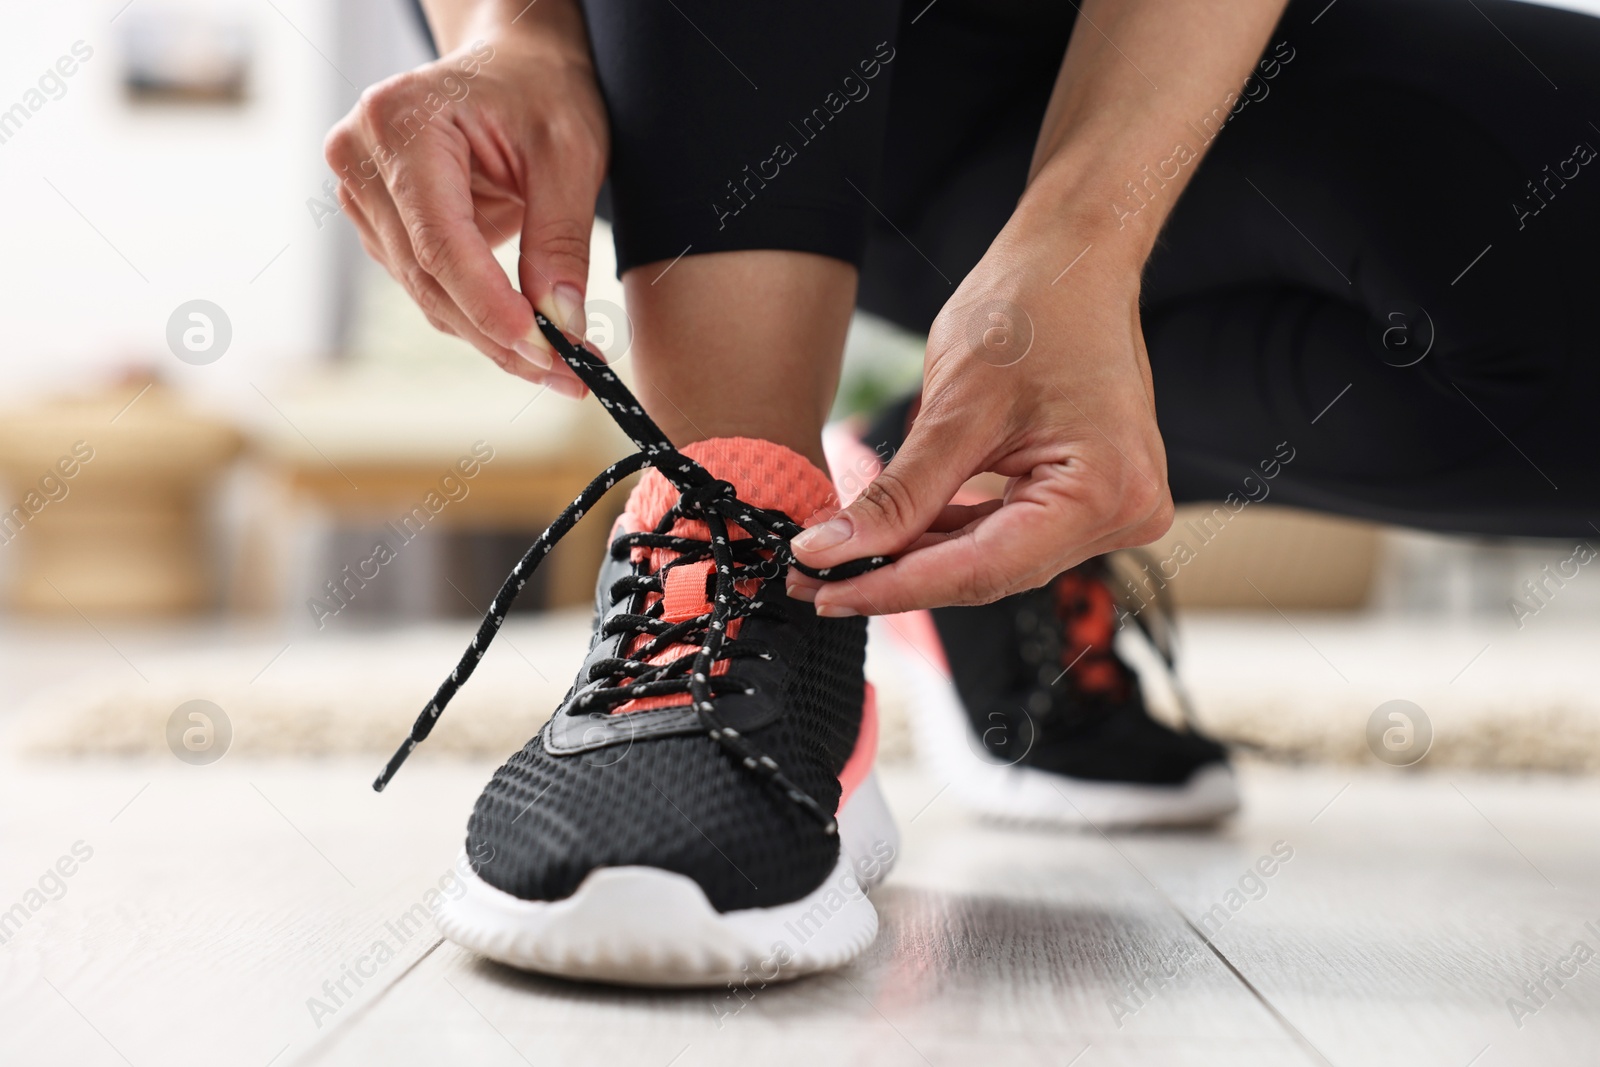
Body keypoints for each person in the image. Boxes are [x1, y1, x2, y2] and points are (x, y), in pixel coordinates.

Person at [327, 0, 1600, 985]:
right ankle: (746, 542)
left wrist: (1084, 237)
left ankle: (959, 473)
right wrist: (519, 31)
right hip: (724, 68)